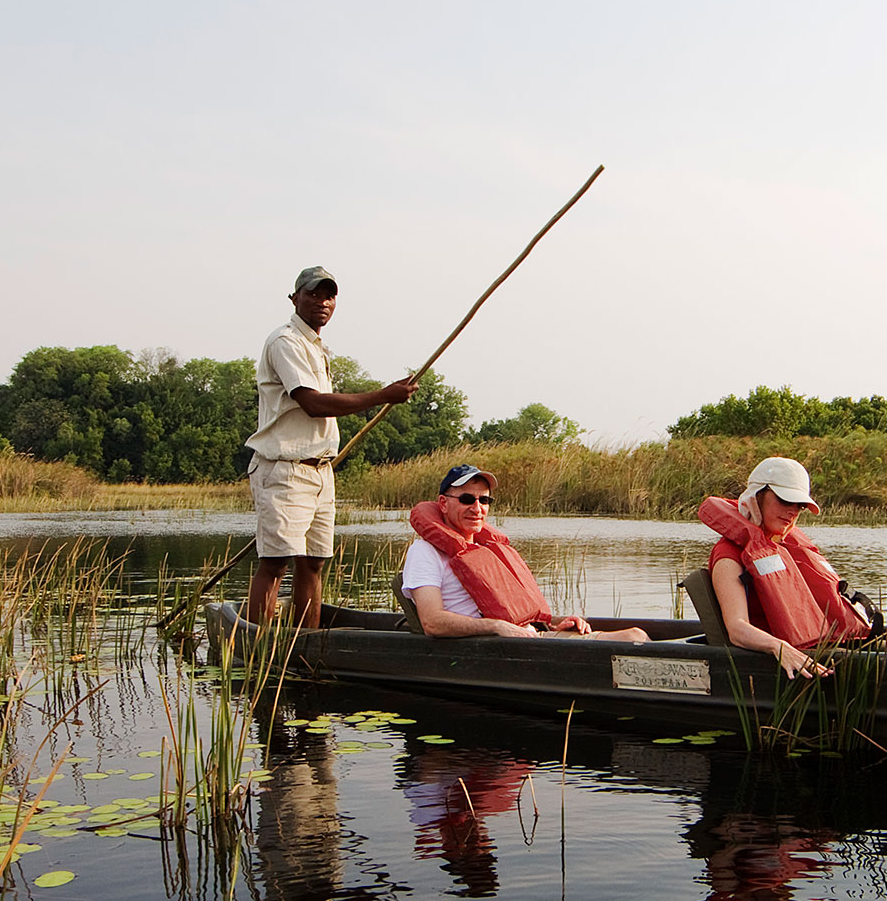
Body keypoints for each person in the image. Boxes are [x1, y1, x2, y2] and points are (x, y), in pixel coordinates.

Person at [244, 267, 418, 627]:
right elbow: (314, 403)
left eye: (329, 296)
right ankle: (259, 646)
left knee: (313, 562)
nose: (322, 302)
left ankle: (304, 643)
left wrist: (385, 395)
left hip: (320, 471)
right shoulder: (286, 342)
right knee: (275, 562)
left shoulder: (316, 348)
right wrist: (384, 395)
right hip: (285, 469)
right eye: (313, 294)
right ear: (295, 299)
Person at [700, 456, 887, 676]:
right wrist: (778, 648)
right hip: (802, 658)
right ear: (756, 499)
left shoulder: (787, 547)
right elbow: (737, 629)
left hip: (836, 644)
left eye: (799, 506)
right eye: (784, 501)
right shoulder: (728, 555)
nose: (793, 512)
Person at [401, 465, 650, 641]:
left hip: (528, 636)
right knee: (632, 637)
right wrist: (497, 627)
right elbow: (432, 623)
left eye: (484, 500)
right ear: (443, 504)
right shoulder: (425, 552)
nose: (477, 508)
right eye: (467, 499)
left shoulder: (487, 549)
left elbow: (508, 611)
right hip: (493, 645)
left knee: (636, 634)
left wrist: (553, 623)